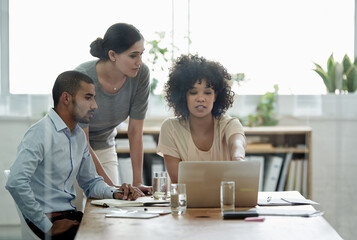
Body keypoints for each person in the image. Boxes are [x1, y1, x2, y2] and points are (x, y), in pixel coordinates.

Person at [5, 71, 143, 240]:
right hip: (49, 220)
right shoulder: (40, 133)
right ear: (66, 98)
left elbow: (91, 182)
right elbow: (15, 182)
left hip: (69, 215)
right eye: (88, 97)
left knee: (123, 228)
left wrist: (115, 192)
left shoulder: (78, 136)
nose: (95, 105)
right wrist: (46, 225)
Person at [75, 23, 151, 193]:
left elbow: (135, 131)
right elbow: (82, 141)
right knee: (78, 215)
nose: (139, 62)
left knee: (108, 210)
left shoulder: (141, 74)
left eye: (141, 54)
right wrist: (111, 188)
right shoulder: (83, 77)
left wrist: (137, 181)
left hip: (104, 145)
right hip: (72, 148)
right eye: (133, 56)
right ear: (112, 55)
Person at [157, 54, 247, 183]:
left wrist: (238, 158)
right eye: (193, 92)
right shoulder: (170, 128)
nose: (201, 98)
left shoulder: (229, 124)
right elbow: (178, 181)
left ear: (216, 96)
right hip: (187, 201)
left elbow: (237, 144)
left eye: (207, 92)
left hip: (225, 201)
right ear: (184, 96)